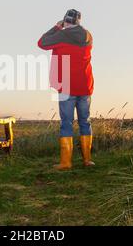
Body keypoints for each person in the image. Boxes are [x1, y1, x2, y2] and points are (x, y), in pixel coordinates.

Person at [37, 9, 94, 170]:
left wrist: (56, 27)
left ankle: (66, 162)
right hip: (85, 85)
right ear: (79, 22)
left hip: (66, 86)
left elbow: (41, 43)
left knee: (66, 123)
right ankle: (87, 160)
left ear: (65, 21)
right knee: (85, 121)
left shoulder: (62, 35)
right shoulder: (88, 36)